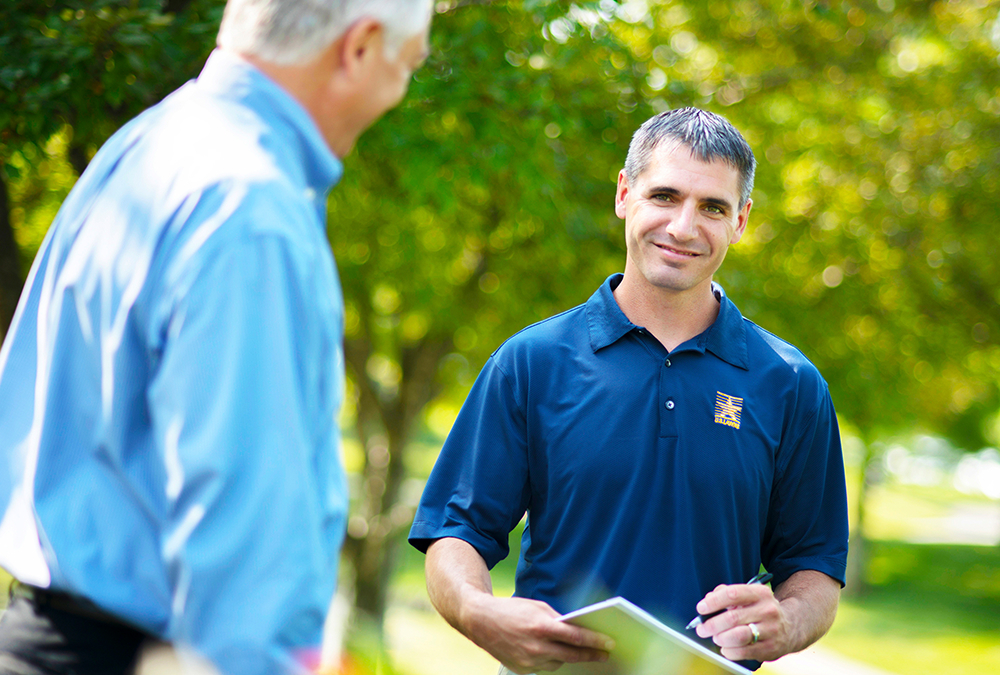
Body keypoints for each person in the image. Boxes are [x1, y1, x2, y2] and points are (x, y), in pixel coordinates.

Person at [0, 1, 432, 674]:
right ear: (359, 48)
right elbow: (242, 540)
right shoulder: (250, 208)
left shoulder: (148, 144)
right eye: (408, 66)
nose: (400, 92)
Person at [408, 107, 849, 674]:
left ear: (740, 220)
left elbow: (813, 566)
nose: (684, 227)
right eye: (664, 196)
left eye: (712, 207)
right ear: (624, 194)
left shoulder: (790, 383)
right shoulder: (531, 362)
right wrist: (476, 611)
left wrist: (787, 621)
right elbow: (458, 530)